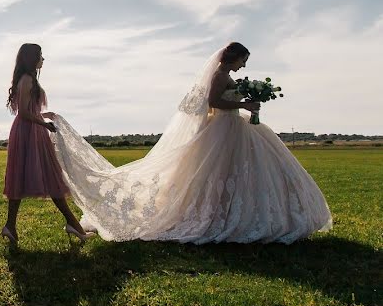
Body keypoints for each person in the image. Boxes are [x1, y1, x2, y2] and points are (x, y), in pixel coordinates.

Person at [52, 42, 333, 244]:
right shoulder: (221, 76)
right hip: (224, 127)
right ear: (233, 59)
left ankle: (234, 210)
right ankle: (217, 214)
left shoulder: (229, 77)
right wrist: (246, 102)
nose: (244, 65)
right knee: (218, 172)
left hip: (234, 125)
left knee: (238, 172)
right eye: (243, 60)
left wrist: (247, 104)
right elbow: (213, 102)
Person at [1, 44, 92, 244]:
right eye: (41, 56)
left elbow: (29, 110)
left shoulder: (30, 79)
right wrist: (44, 123)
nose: (43, 59)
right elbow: (23, 113)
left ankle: (11, 226)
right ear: (32, 59)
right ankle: (72, 224)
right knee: (48, 177)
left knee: (49, 177)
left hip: (33, 130)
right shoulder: (26, 80)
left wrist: (44, 115)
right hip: (28, 132)